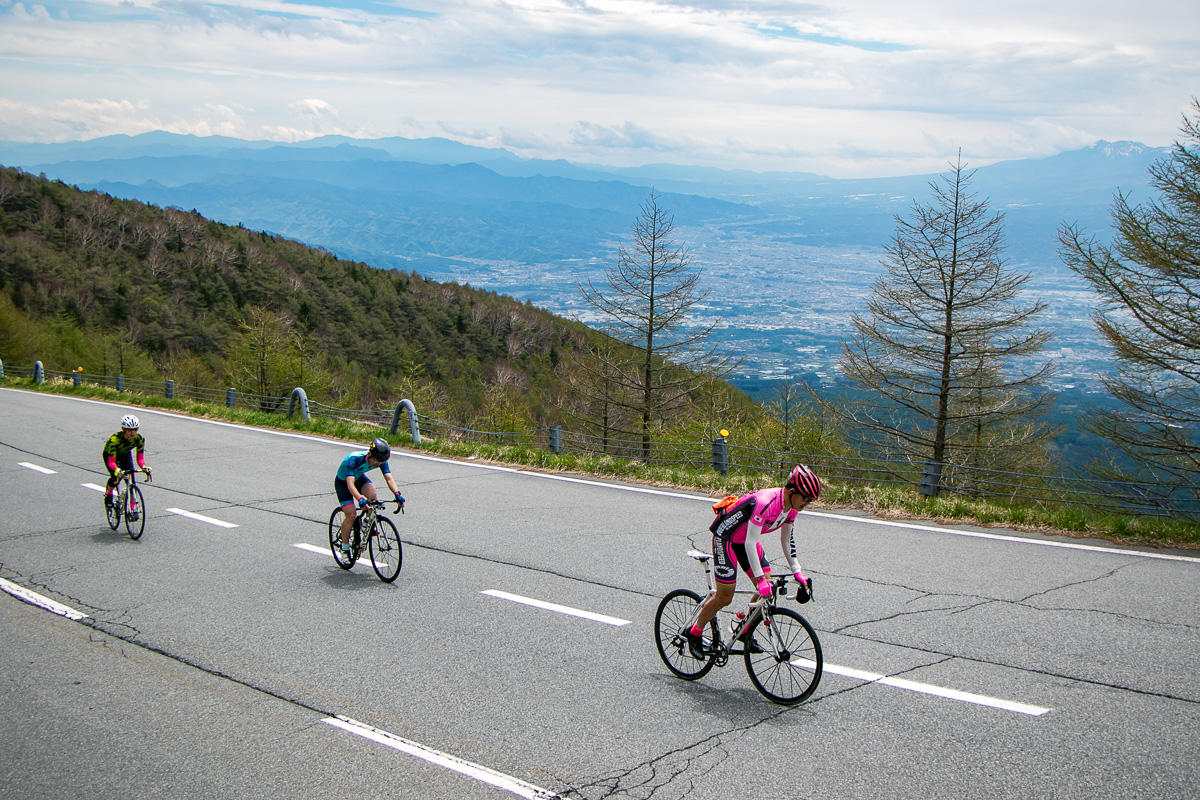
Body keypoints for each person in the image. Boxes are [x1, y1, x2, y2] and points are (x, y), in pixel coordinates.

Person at [687, 464, 821, 659]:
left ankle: (743, 628)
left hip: (745, 539)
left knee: (768, 590)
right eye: (806, 499)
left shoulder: (791, 508)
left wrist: (797, 571)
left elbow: (786, 540)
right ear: (792, 491)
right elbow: (750, 542)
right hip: (727, 538)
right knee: (725, 597)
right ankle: (695, 632)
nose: (806, 504)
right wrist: (760, 579)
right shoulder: (766, 503)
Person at [334, 438, 405, 555]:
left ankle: (367, 521)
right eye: (376, 461)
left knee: (372, 494)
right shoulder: (355, 459)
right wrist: (360, 499)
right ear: (370, 454)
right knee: (351, 515)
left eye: (380, 462)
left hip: (358, 478)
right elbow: (350, 484)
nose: (378, 464)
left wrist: (397, 494)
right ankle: (345, 548)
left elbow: (388, 478)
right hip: (344, 483)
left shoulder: (381, 460)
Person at [103, 414, 152, 507]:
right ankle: (109, 494)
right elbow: (111, 462)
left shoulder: (139, 439)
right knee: (116, 477)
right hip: (111, 456)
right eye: (130, 430)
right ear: (123, 429)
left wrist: (144, 467)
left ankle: (133, 506)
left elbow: (140, 459)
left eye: (135, 429)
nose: (133, 432)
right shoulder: (114, 440)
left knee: (131, 478)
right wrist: (117, 470)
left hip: (125, 454)